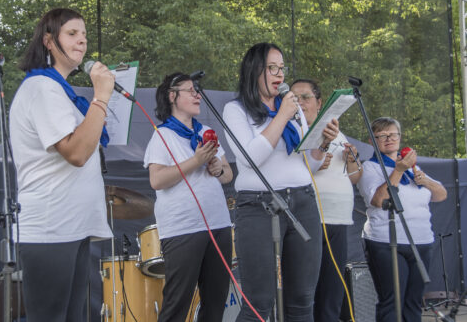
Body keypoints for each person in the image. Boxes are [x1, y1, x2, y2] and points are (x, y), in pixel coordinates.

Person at [9, 8, 115, 322]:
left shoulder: (62, 93)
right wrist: (102, 97)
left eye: (84, 35)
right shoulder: (42, 88)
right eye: (72, 34)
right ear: (49, 41)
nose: (82, 41)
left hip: (73, 225)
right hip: (50, 227)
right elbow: (77, 152)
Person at [222, 42, 339, 322]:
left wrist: (322, 143)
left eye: (282, 68)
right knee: (259, 304)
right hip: (259, 206)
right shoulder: (235, 110)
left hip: (302, 201)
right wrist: (283, 115)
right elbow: (250, 158)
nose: (279, 75)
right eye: (272, 68)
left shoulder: (293, 109)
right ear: (254, 71)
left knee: (301, 301)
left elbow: (306, 163)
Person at [143, 72, 234, 322]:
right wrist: (196, 161)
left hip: (219, 224)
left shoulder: (205, 131)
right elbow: (157, 180)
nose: (197, 95)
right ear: (173, 96)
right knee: (177, 304)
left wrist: (218, 168)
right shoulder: (162, 135)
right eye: (190, 90)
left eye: (197, 90)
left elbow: (228, 174)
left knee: (215, 304)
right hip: (183, 228)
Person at [357, 117, 447, 322]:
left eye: (393, 134)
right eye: (382, 136)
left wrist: (426, 182)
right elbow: (379, 200)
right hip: (387, 241)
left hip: (421, 240)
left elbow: (441, 195)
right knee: (392, 301)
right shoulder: (371, 168)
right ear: (372, 141)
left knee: (413, 301)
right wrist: (397, 170)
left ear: (400, 137)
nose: (389, 139)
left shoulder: (412, 168)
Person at [290, 79, 362, 322]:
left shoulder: (335, 131)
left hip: (338, 218)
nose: (300, 102)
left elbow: (354, 178)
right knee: (306, 291)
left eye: (305, 97)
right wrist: (315, 164)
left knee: (333, 290)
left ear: (320, 103)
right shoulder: (291, 130)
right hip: (307, 218)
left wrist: (352, 160)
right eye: (294, 97)